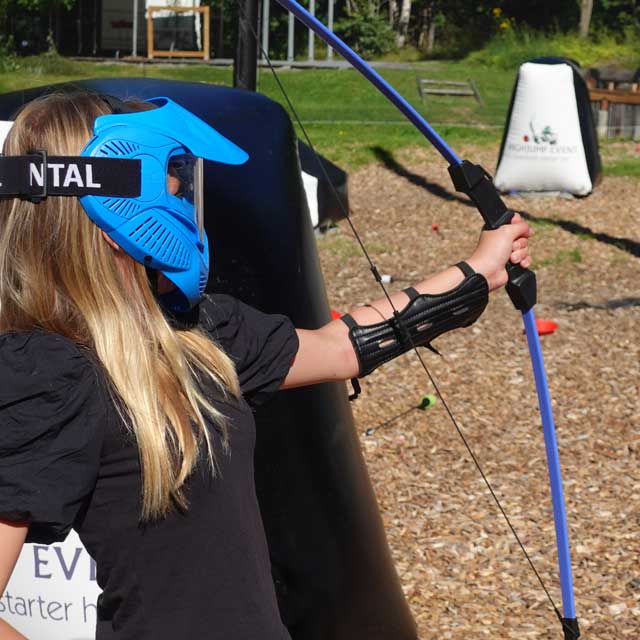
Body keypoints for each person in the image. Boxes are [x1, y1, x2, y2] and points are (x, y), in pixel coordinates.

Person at [0, 92, 532, 640]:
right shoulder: (48, 372)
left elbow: (340, 347)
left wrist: (477, 272)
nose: (182, 191)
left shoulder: (193, 330)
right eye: (170, 177)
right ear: (116, 208)